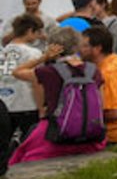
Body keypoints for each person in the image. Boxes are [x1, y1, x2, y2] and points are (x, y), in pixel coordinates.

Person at [8, 27, 106, 165]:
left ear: (53, 46)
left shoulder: (48, 72)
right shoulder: (93, 70)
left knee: (18, 158)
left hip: (56, 134)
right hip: (90, 135)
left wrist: (45, 57)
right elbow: (102, 103)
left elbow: (17, 72)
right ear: (77, 45)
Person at [79, 23, 117, 145]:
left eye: (84, 46)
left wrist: (83, 117)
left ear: (97, 49)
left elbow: (114, 112)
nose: (80, 49)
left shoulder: (108, 72)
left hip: (112, 135)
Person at [1, 14, 45, 143]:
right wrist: (41, 107)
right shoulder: (33, 53)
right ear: (30, 30)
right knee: (29, 142)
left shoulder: (2, 52)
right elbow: (37, 81)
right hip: (26, 104)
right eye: (37, 32)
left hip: (4, 104)